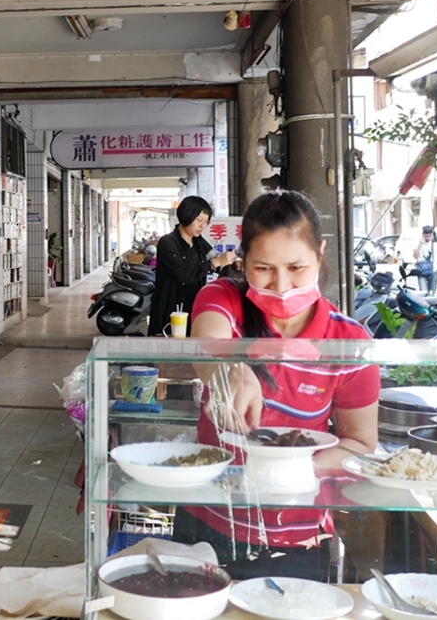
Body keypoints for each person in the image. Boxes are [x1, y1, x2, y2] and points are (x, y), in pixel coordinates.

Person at [173, 189, 379, 580]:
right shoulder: (223, 299)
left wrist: (285, 471)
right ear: (243, 259)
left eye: (297, 268)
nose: (281, 285)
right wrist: (231, 368)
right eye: (263, 268)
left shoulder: (348, 343)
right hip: (208, 523)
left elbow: (360, 444)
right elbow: (208, 341)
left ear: (320, 253)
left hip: (298, 539)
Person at [148, 196, 238, 337]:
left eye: (206, 222)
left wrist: (233, 263)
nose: (203, 226)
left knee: (192, 349)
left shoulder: (199, 243)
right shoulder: (168, 242)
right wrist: (216, 263)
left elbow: (216, 260)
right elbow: (183, 273)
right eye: (199, 220)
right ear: (187, 216)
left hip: (193, 307)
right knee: (169, 351)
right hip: (171, 309)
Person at [414, 225, 437, 296]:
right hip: (421, 270)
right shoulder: (417, 242)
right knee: (423, 292)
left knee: (432, 293)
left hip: (433, 269)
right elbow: (415, 256)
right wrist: (420, 244)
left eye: (430, 236)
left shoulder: (434, 243)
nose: (428, 238)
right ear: (423, 235)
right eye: (426, 236)